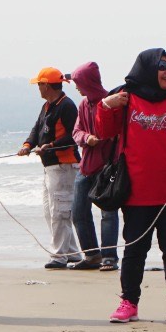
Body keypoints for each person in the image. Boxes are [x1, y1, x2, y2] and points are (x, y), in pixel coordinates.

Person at [95, 48, 166, 324]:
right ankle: (129, 303)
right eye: (162, 66)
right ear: (147, 68)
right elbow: (104, 132)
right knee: (134, 249)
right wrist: (107, 106)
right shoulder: (126, 97)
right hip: (136, 191)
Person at [18, 67, 82, 269]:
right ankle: (71, 252)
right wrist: (28, 145)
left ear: (46, 85)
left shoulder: (67, 106)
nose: (38, 88)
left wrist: (50, 146)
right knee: (50, 210)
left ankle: (58, 256)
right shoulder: (47, 106)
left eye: (39, 84)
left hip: (65, 165)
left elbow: (74, 136)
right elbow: (37, 129)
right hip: (50, 166)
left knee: (60, 211)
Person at [69, 62, 120, 270]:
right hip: (86, 164)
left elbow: (116, 130)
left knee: (108, 211)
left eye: (78, 82)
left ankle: (109, 257)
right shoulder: (82, 104)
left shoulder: (111, 100)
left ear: (88, 81)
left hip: (108, 164)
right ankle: (91, 255)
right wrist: (86, 137)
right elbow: (76, 131)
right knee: (78, 210)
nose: (77, 87)